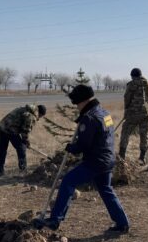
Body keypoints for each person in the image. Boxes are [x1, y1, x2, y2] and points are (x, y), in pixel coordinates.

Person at [33, 84, 129, 233]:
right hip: (109, 159)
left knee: (68, 181)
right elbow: (106, 134)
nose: (76, 106)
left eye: (77, 103)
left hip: (95, 161)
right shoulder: (105, 113)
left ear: (83, 100)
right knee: (105, 189)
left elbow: (83, 145)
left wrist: (71, 147)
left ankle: (55, 219)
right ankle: (122, 223)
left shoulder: (89, 118)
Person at [119, 68, 148, 164]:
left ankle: (121, 156)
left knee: (125, 132)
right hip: (147, 114)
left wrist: (126, 110)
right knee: (144, 135)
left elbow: (127, 98)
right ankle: (142, 158)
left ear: (132, 76)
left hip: (133, 114)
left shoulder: (131, 84)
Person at [0, 104, 46, 176]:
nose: (39, 118)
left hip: (3, 127)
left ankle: (0, 172)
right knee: (21, 149)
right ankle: (23, 171)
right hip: (11, 130)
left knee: (2, 151)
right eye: (41, 116)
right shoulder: (31, 116)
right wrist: (26, 141)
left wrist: (25, 141)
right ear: (40, 113)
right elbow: (25, 130)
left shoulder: (25, 109)